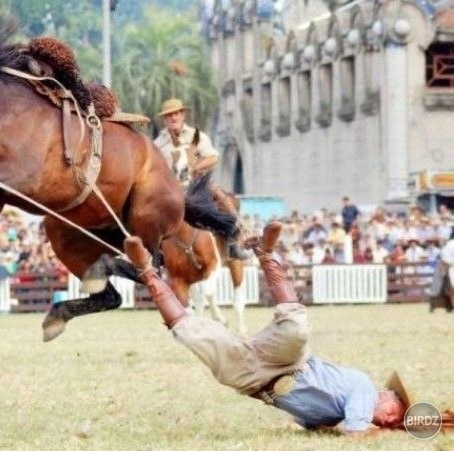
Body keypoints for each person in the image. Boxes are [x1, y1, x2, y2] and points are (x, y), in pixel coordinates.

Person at [122, 222, 410, 434]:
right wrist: (390, 431)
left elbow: (313, 423)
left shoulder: (336, 415)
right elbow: (356, 433)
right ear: (385, 395)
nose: (387, 420)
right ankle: (266, 254)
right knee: (296, 328)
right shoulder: (364, 390)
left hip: (255, 382)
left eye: (391, 422)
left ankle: (146, 271)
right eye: (392, 414)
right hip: (288, 362)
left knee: (190, 334)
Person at [153, 98, 251, 260]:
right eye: (169, 115)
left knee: (225, 200)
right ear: (164, 119)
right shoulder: (158, 143)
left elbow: (213, 157)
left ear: (183, 114)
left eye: (176, 113)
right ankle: (153, 252)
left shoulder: (196, 136)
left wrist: (195, 168)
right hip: (170, 190)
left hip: (196, 184)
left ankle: (233, 239)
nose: (173, 118)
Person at [429, 229, 454, 312]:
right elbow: (444, 258)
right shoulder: (450, 244)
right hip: (449, 267)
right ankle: (448, 306)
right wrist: (444, 269)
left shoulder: (449, 244)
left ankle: (449, 306)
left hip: (448, 266)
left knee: (446, 289)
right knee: (444, 289)